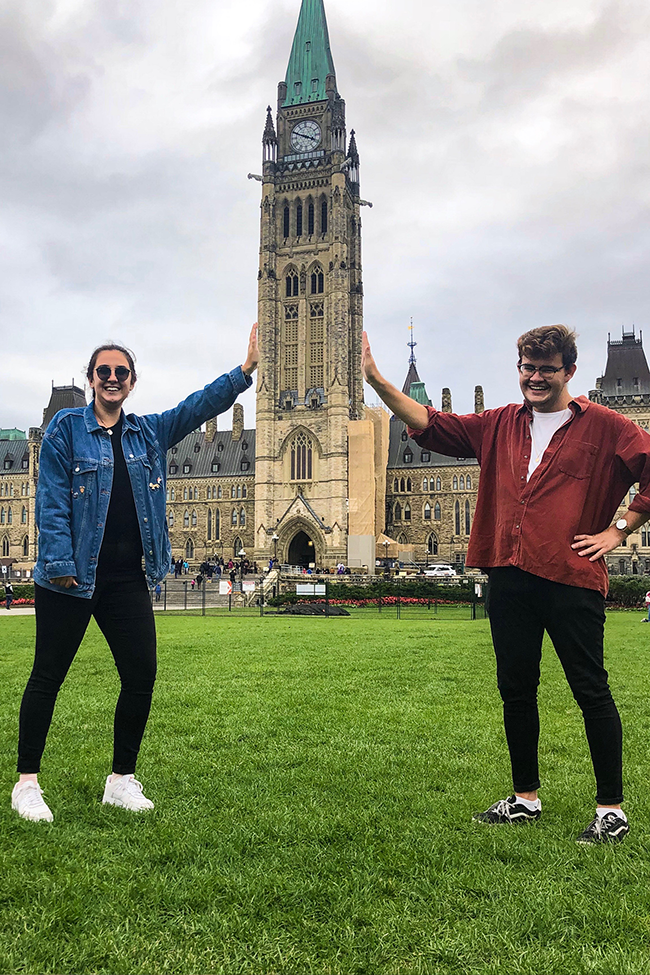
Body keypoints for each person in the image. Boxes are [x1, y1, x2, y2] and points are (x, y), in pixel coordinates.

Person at [362, 324, 650, 844]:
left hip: (570, 578)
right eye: (527, 368)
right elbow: (432, 423)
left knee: (591, 690)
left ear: (569, 371)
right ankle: (525, 799)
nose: (535, 378)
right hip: (510, 576)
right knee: (516, 690)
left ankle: (611, 808)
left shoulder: (606, 426)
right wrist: (378, 381)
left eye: (547, 369)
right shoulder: (498, 424)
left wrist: (619, 529)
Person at [11, 324, 259, 823]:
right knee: (47, 678)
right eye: (103, 371)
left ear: (132, 381)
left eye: (120, 372)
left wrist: (244, 372)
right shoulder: (65, 429)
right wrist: (58, 565)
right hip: (72, 578)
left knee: (141, 675)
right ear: (91, 378)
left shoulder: (147, 432)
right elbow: (52, 501)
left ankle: (120, 779)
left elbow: (196, 407)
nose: (111, 378)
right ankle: (27, 784)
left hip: (126, 578)